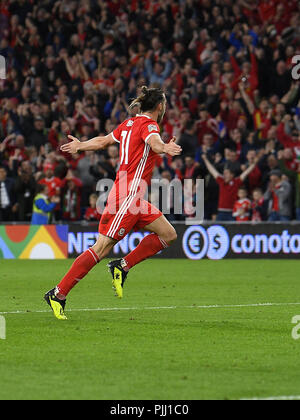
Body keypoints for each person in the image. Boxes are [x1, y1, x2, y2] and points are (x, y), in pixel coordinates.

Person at [44, 86, 182, 320]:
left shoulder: (128, 124)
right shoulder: (150, 125)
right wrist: (165, 148)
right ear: (160, 106)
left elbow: (102, 141)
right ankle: (58, 293)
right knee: (101, 248)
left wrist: (80, 145)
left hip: (134, 197)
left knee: (168, 234)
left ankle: (122, 266)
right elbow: (155, 142)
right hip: (127, 196)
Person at [202, 154, 257, 221]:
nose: (224, 175)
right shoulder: (221, 181)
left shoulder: (236, 182)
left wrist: (254, 164)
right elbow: (212, 170)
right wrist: (205, 160)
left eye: (226, 173)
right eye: (224, 173)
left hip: (232, 212)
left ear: (232, 175)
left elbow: (246, 173)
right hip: (221, 212)